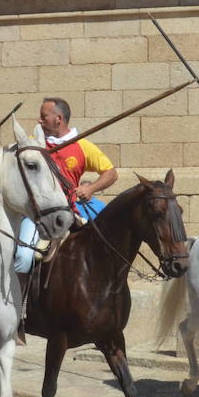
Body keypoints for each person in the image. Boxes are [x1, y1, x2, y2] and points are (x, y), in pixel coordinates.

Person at [13, 97, 117, 275]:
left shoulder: (82, 146)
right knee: (23, 256)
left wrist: (90, 188)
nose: (39, 120)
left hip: (69, 213)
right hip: (38, 215)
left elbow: (111, 173)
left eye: (43, 117)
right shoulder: (34, 143)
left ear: (58, 119)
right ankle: (18, 301)